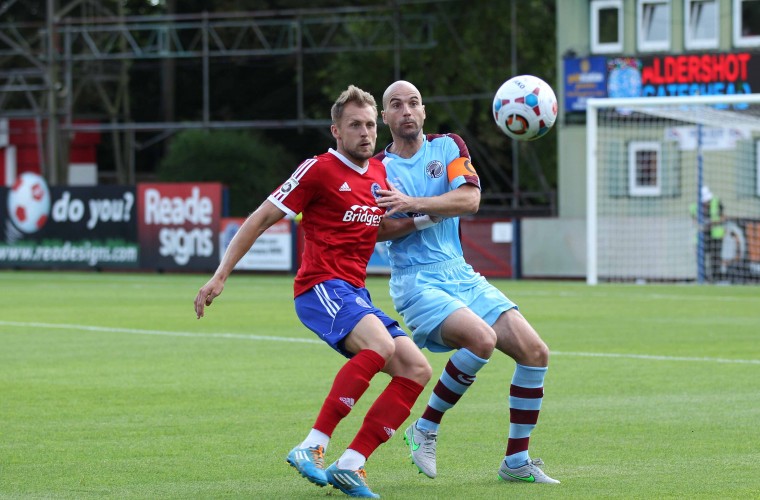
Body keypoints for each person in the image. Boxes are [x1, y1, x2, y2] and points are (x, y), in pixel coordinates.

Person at [194, 85, 432, 499]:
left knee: (416, 369)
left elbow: (376, 228)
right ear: (336, 131)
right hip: (319, 286)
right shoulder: (318, 169)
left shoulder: (378, 174)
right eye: (355, 125)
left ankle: (352, 464)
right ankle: (313, 444)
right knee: (379, 345)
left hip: (355, 293)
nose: (365, 133)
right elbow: (260, 219)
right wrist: (220, 275)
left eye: (370, 125)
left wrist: (427, 218)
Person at [373, 80, 559, 484]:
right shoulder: (377, 169)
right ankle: (425, 428)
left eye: (414, 103)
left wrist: (414, 205)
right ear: (384, 117)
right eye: (396, 105)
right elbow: (380, 230)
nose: (407, 110)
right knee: (481, 339)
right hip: (415, 281)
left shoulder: (449, 146)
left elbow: (470, 199)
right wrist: (427, 214)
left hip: (460, 273)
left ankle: (516, 461)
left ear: (423, 112)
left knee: (535, 353)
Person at [689, 185, 725, 281]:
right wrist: (698, 222)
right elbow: (693, 218)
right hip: (702, 234)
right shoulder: (694, 206)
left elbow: (723, 217)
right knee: (701, 257)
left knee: (715, 258)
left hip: (716, 234)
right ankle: (703, 278)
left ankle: (715, 279)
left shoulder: (717, 202)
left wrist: (713, 222)